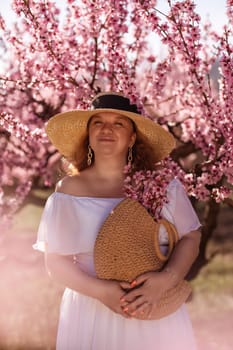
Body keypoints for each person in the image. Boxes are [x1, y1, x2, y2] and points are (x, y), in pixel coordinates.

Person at [34, 92, 201, 350]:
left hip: (155, 306)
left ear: (133, 137)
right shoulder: (68, 191)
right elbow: (55, 262)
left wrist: (166, 280)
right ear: (88, 134)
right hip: (92, 310)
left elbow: (191, 236)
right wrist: (102, 291)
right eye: (98, 122)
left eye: (118, 123)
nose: (106, 130)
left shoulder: (161, 186)